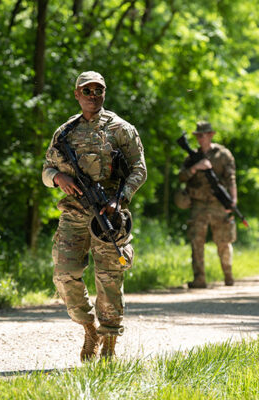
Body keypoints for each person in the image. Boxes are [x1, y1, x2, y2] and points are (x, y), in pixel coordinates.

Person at [42, 71, 146, 360]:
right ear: (77, 94)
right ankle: (89, 329)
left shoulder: (121, 129)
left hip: (109, 217)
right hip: (74, 213)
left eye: (97, 90)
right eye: (86, 91)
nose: (92, 95)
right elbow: (46, 171)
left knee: (109, 277)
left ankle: (109, 342)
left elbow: (140, 169)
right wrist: (58, 178)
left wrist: (120, 198)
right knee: (64, 274)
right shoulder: (65, 133)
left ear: (104, 93)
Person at [178, 121, 237, 288]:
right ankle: (199, 279)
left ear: (211, 135)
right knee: (196, 241)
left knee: (223, 241)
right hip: (198, 205)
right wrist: (196, 167)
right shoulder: (191, 157)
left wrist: (233, 201)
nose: (200, 138)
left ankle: (228, 275)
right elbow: (181, 177)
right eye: (198, 135)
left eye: (203, 135)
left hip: (218, 204)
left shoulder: (223, 155)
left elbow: (231, 179)